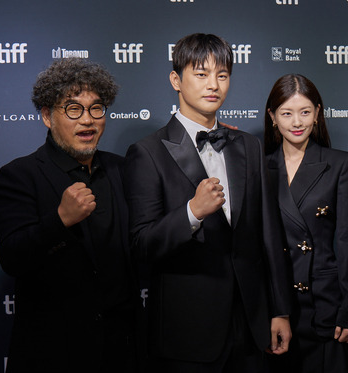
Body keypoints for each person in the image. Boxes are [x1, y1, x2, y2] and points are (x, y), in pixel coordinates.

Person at [124, 33, 292, 372]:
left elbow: (269, 234)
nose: (213, 84)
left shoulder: (248, 146)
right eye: (201, 74)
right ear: (176, 80)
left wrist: (280, 309)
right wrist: (192, 212)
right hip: (187, 330)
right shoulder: (147, 152)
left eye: (222, 74)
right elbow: (141, 245)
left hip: (250, 323)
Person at [0, 58, 139, 373]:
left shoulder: (122, 169)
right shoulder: (19, 175)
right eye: (73, 110)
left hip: (121, 351)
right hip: (53, 353)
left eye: (96, 109)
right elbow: (12, 257)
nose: (87, 121)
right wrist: (59, 221)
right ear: (47, 116)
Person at [264, 74, 348, 373]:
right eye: (286, 113)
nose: (297, 122)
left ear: (318, 113)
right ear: (272, 116)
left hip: (325, 304)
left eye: (305, 112)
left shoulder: (339, 164)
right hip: (276, 305)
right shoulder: (258, 165)